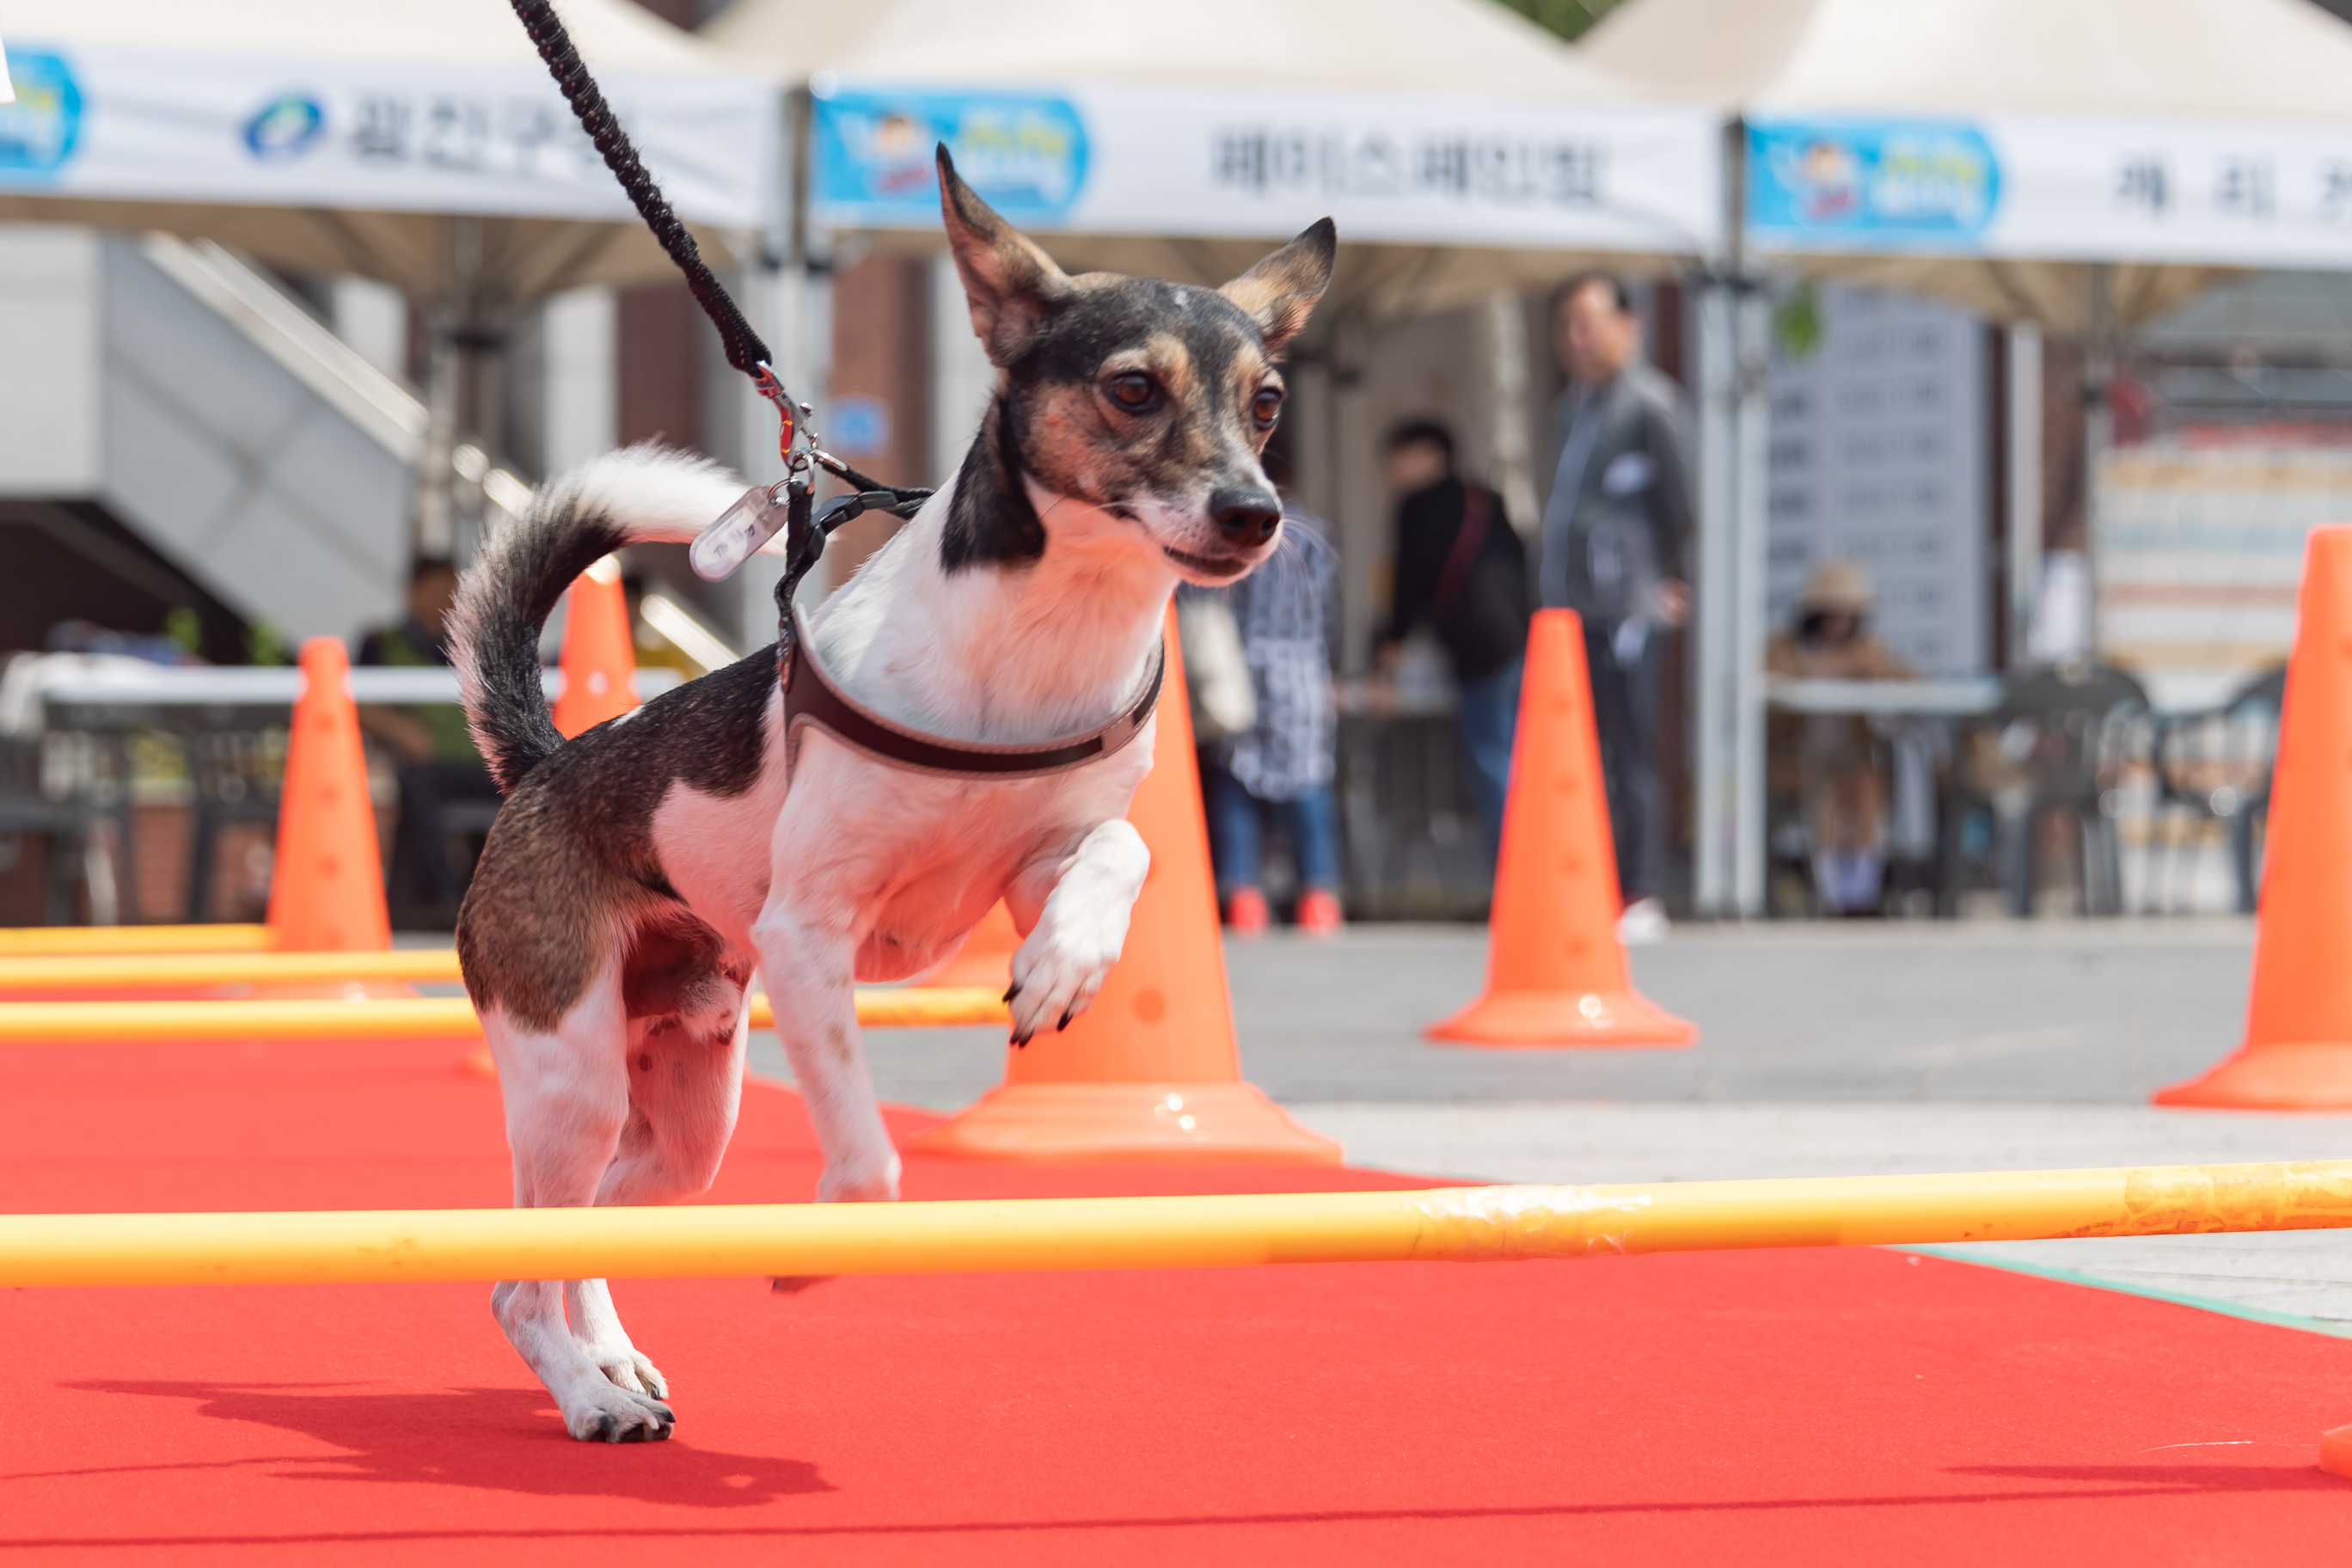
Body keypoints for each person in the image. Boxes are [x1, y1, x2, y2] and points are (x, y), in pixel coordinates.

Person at [1540, 274, 1695, 945]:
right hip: (1567, 608)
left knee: (1630, 749)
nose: (1578, 336)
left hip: (1625, 608)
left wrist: (1663, 578)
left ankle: (1642, 888)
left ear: (1629, 326)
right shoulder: (1568, 410)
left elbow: (1684, 505)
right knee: (1578, 751)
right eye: (1567, 323)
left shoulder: (1651, 405)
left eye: (1591, 320)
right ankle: (1588, 882)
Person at [1189, 479, 1345, 938]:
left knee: (1237, 781)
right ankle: (1319, 897)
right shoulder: (1317, 536)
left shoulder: (1229, 531)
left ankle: (1244, 898)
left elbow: (1201, 600)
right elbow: (1330, 616)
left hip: (1239, 672)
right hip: (1302, 671)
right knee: (1309, 782)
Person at [1375, 420, 1532, 858]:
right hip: (1521, 640)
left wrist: (1389, 660)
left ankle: (1513, 866)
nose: (1391, 470)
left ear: (1428, 455)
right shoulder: (1484, 499)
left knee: (1491, 757)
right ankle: (1534, 855)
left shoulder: (1416, 507)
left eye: (1397, 458)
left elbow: (1408, 588)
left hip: (1478, 649)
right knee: (1522, 756)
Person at [356, 558, 501, 929]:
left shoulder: (482, 646)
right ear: (412, 593)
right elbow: (358, 702)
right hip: (428, 765)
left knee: (538, 787)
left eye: (450, 593)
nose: (442, 601)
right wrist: (398, 727)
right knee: (416, 786)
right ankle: (448, 896)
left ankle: (514, 906)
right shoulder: (381, 643)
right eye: (434, 591)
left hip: (486, 765)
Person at [1765, 560, 1910, 916]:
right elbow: (1774, 691)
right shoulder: (1784, 649)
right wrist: (1827, 668)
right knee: (1826, 789)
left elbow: (1911, 682)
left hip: (1851, 757)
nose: (1840, 624)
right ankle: (1831, 892)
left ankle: (1860, 891)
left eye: (1848, 615)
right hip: (1797, 758)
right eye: (1831, 614)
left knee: (1866, 785)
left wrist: (1876, 675)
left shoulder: (1869, 650)